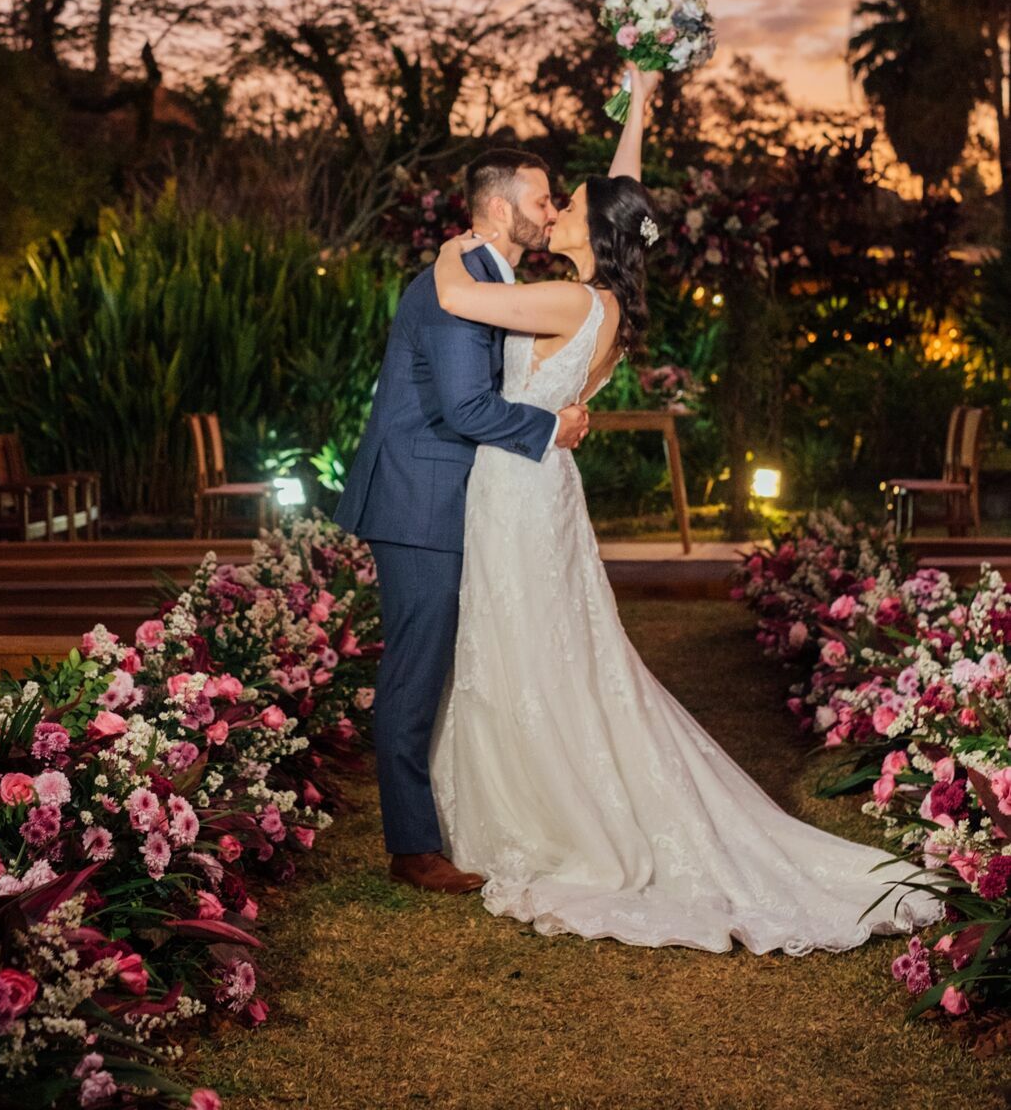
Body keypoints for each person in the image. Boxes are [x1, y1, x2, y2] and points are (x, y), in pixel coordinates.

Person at [424, 62, 944, 953]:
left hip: (518, 490)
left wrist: (453, 240)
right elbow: (624, 195)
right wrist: (640, 99)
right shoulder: (608, 302)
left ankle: (555, 813)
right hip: (541, 484)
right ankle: (563, 786)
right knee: (559, 642)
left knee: (529, 641)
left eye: (566, 204)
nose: (553, 211)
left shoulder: (561, 297)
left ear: (587, 226)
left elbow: (456, 295)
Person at [335, 147, 590, 894]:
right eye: (543, 199)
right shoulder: (459, 284)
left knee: (444, 666)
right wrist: (552, 431)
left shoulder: (487, 281)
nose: (550, 212)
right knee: (414, 674)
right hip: (419, 500)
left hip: (450, 495)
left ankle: (445, 817)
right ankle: (411, 848)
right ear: (502, 206)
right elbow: (464, 407)